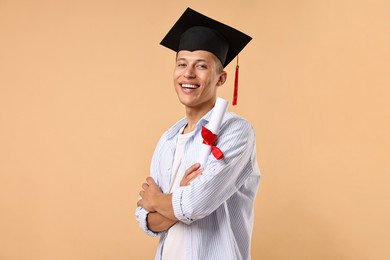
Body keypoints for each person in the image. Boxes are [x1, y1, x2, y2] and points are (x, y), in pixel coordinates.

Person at [135, 7, 261, 260]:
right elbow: (145, 220)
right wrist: (176, 198)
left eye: (201, 66)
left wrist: (156, 200)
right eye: (182, 64)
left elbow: (195, 205)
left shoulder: (236, 130)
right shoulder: (168, 139)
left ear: (221, 78)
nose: (188, 74)